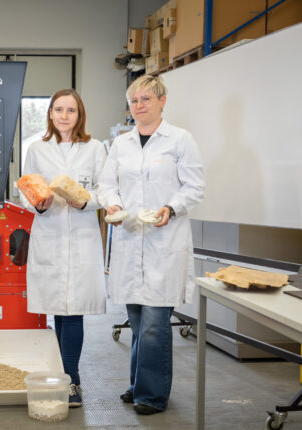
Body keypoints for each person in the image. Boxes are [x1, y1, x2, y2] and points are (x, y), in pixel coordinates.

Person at [100, 74, 205, 415]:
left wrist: (171, 208)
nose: (139, 105)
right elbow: (107, 184)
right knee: (137, 322)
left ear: (162, 101)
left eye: (146, 98)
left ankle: (153, 395)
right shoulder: (121, 144)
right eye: (134, 100)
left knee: (155, 326)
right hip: (130, 239)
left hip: (164, 241)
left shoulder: (180, 140)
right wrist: (113, 204)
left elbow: (194, 186)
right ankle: (138, 384)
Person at [19, 89, 107, 408]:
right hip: (50, 234)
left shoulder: (95, 148)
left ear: (79, 114)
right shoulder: (37, 149)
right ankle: (61, 375)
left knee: (75, 311)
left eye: (71, 110)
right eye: (59, 110)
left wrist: (85, 200)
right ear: (51, 114)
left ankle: (71, 380)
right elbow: (25, 192)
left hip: (82, 238)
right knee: (58, 308)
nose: (64, 116)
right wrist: (39, 205)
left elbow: (106, 191)